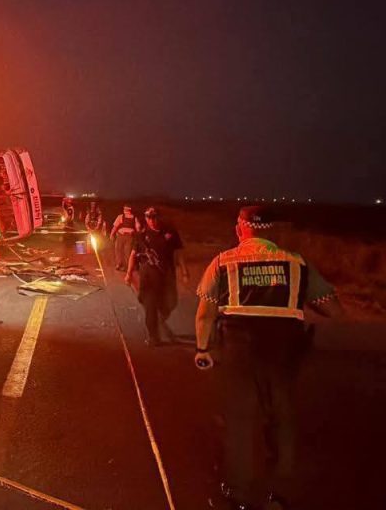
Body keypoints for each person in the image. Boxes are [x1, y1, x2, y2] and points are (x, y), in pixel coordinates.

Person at [193, 206, 345, 510]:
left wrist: (202, 349)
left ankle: (238, 492)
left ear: (241, 228)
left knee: (240, 420)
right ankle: (279, 494)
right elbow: (334, 309)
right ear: (272, 230)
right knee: (283, 419)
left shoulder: (223, 262)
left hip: (239, 349)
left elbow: (205, 313)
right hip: (283, 352)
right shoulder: (296, 262)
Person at [124, 207, 189, 345]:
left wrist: (184, 271)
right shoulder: (142, 235)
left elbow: (178, 253)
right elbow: (133, 255)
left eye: (154, 217)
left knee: (171, 302)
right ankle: (153, 337)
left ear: (159, 217)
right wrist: (129, 273)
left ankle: (159, 319)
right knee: (150, 306)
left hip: (167, 275)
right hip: (148, 277)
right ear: (145, 218)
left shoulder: (170, 233)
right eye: (148, 217)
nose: (152, 220)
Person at [109, 204, 140, 270]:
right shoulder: (120, 216)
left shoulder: (134, 218)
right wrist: (112, 234)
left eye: (127, 209)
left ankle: (127, 266)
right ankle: (119, 264)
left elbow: (138, 228)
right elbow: (115, 226)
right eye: (124, 209)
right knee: (118, 250)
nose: (125, 210)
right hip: (120, 235)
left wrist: (139, 234)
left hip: (129, 237)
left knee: (127, 251)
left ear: (130, 210)